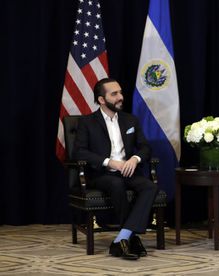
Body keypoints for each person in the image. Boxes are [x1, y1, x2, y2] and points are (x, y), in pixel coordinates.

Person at [74, 77, 158, 260]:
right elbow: (79, 152)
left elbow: (145, 147)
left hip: (127, 171)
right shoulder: (87, 122)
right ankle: (131, 239)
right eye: (114, 94)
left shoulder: (130, 120)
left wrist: (135, 159)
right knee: (116, 184)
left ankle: (122, 238)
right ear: (102, 99)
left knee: (150, 186)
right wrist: (109, 162)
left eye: (120, 92)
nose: (120, 97)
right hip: (100, 174)